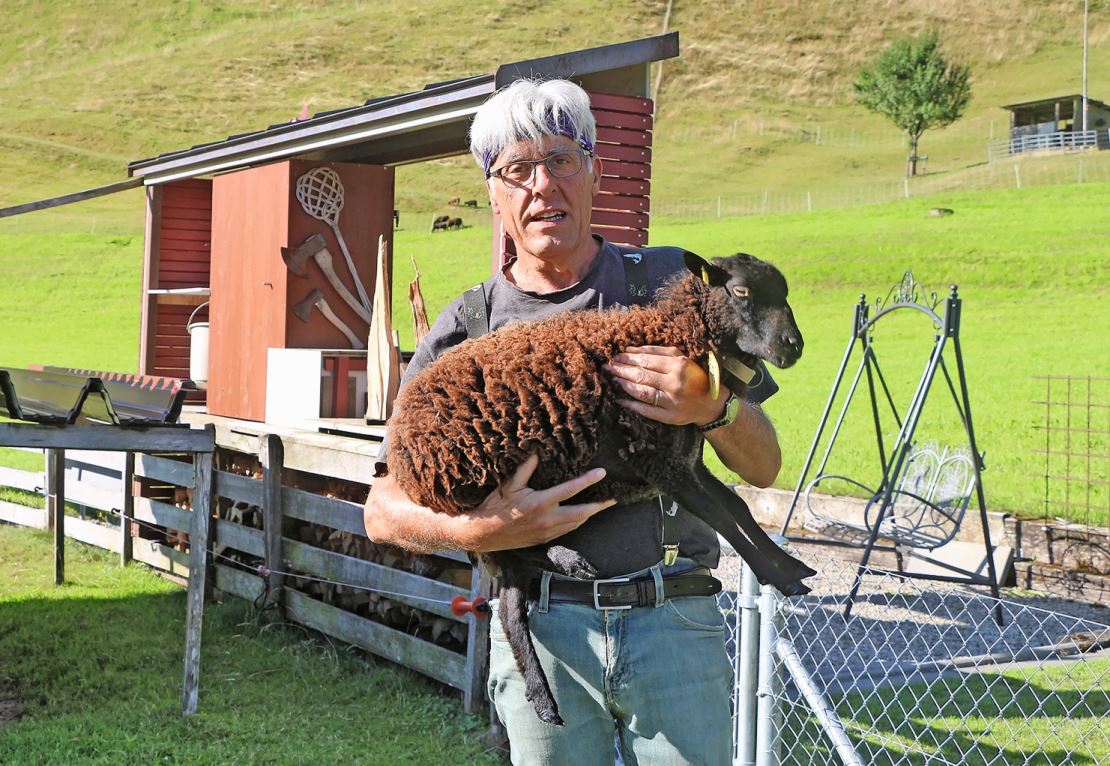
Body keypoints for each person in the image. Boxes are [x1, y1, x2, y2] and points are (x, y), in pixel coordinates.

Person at [363, 78, 783, 765]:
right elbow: (383, 509)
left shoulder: (670, 288)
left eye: (561, 160)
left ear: (592, 172)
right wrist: (478, 530)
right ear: (493, 195)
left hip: (673, 620)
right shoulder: (468, 328)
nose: (542, 186)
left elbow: (763, 463)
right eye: (516, 170)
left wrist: (712, 405)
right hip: (545, 627)